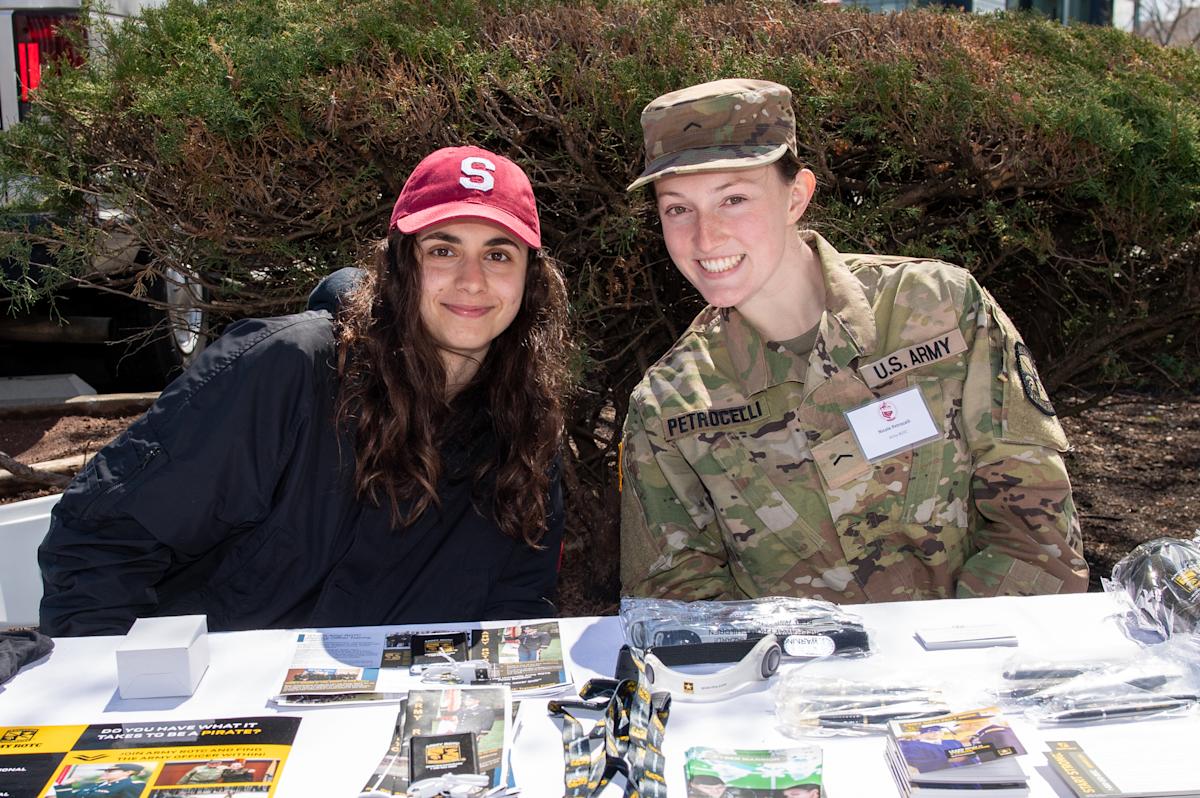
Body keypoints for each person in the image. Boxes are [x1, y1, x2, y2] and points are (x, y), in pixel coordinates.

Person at [39, 146, 571, 635]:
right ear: (400, 264)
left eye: (499, 254)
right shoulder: (288, 369)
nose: (472, 280)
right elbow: (101, 539)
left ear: (531, 278)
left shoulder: (526, 423)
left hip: (384, 719)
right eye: (443, 250)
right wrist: (121, 699)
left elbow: (516, 603)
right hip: (216, 714)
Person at [620, 79, 1088, 602]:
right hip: (793, 678)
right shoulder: (670, 403)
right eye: (678, 209)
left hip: (974, 666)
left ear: (796, 196)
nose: (706, 238)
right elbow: (679, 596)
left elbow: (1036, 534)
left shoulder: (941, 310)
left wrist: (956, 667)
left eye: (733, 198)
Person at [53, 764, 145, 798]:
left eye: (110, 771)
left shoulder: (132, 786)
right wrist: (65, 785)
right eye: (105, 770)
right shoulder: (92, 785)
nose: (106, 772)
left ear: (128, 772)